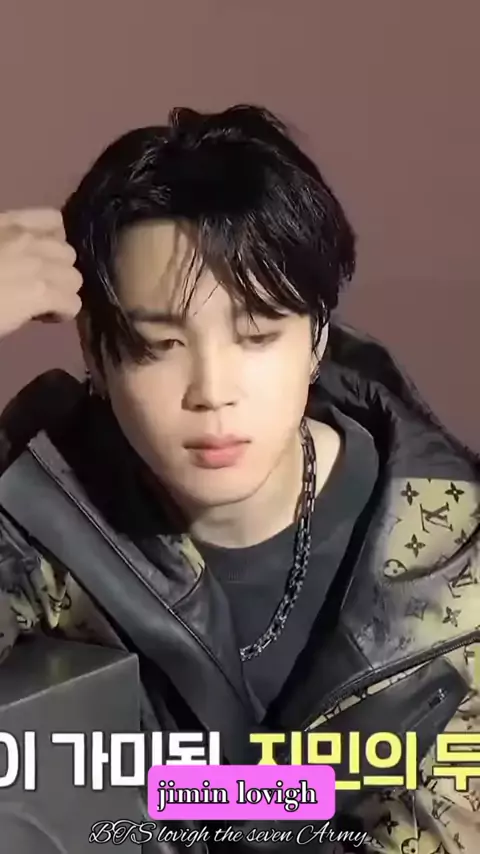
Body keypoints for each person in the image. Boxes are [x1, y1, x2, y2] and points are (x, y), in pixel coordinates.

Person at [0, 105, 478, 853]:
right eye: (158, 345)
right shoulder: (46, 507)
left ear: (316, 338)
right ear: (95, 352)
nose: (212, 392)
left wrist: (171, 794)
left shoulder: (452, 564)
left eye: (257, 335)